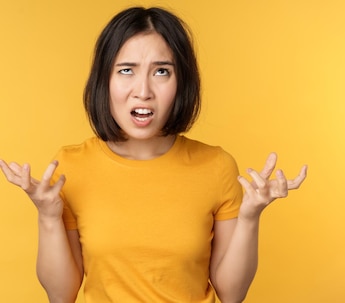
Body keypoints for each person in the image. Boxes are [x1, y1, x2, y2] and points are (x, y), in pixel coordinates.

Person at [0, 6, 307, 303]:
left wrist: (250, 217)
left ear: (181, 82)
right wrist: (49, 217)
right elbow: (60, 296)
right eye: (126, 70)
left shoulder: (217, 166)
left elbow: (232, 294)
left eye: (161, 71)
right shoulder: (71, 167)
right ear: (104, 81)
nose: (143, 90)